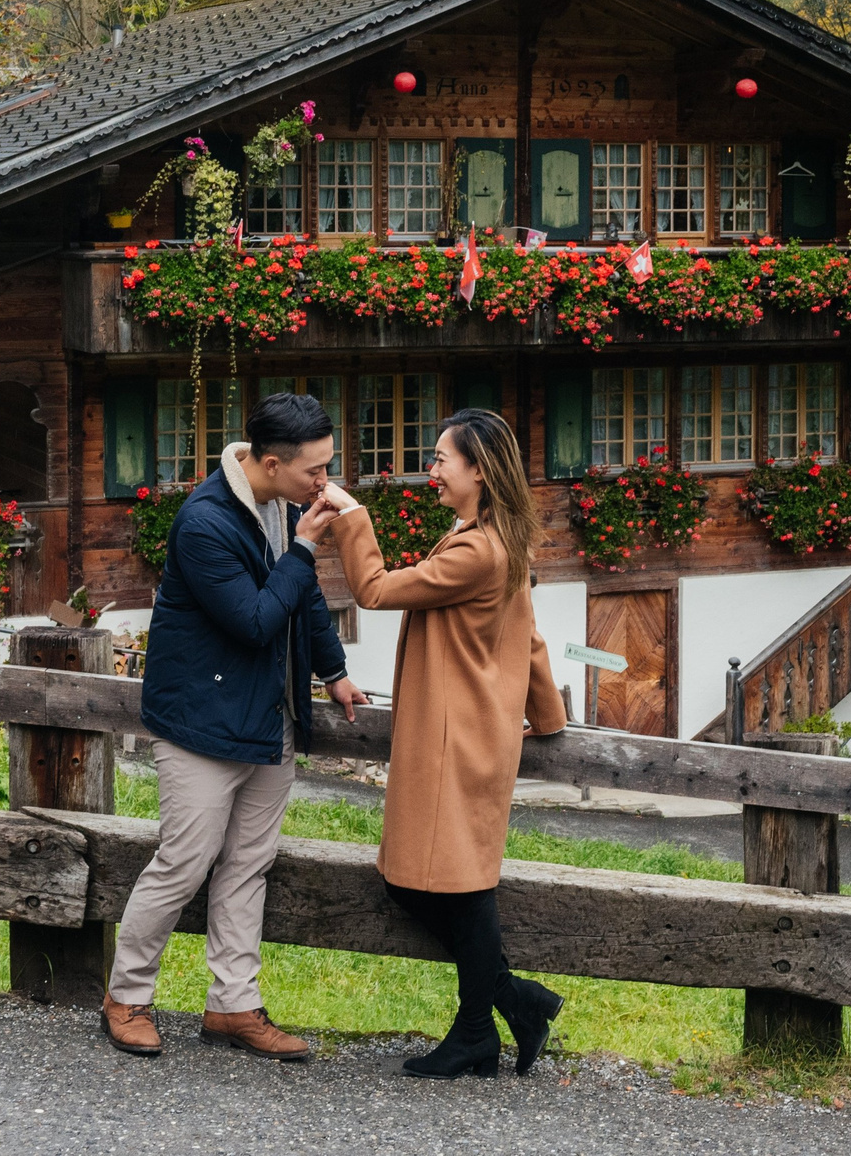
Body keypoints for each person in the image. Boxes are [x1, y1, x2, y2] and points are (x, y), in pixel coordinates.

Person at [101, 392, 367, 1062]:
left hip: (269, 716)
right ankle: (125, 997)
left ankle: (233, 1006)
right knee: (184, 862)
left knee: (249, 866)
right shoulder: (205, 522)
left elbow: (300, 599)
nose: (325, 483)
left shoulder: (283, 505)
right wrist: (304, 548)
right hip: (201, 722)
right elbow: (253, 620)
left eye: (328, 467)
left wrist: (333, 671)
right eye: (315, 471)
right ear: (270, 462)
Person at [323, 407, 569, 1078]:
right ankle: (485, 1025)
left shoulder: (475, 549)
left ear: (478, 469)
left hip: (453, 737)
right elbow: (533, 633)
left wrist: (352, 516)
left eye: (440, 458)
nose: (430, 469)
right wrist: (547, 718)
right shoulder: (493, 537)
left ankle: (509, 1004)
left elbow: (372, 589)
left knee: (440, 883)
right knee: (454, 880)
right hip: (468, 732)